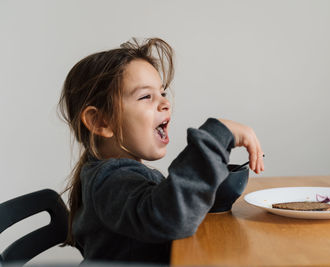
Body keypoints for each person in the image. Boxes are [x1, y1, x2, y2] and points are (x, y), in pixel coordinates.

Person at [58, 37, 264, 264]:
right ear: (101, 122)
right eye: (146, 96)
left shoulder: (114, 174)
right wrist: (216, 136)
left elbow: (169, 205)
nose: (165, 103)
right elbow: (170, 218)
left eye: (163, 93)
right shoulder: (110, 180)